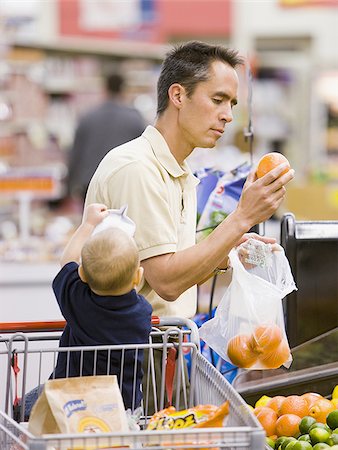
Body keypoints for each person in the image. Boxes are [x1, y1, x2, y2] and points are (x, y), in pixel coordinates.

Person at [85, 41, 295, 320]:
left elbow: (179, 268)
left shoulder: (180, 172)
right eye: (217, 100)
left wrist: (228, 252)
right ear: (178, 96)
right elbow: (167, 282)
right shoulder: (137, 168)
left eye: (231, 104)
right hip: (127, 355)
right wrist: (243, 216)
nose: (228, 116)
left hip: (164, 347)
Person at [23, 203, 152, 418]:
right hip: (121, 407)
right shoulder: (142, 313)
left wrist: (88, 225)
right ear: (137, 278)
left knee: (28, 405)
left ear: (82, 274)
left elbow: (67, 262)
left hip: (71, 403)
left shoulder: (77, 301)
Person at [67, 72, 145, 202]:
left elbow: (76, 154)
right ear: (123, 89)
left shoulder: (87, 117)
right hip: (123, 184)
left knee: (93, 221)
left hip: (91, 183)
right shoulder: (135, 118)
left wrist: (69, 186)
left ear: (105, 89)